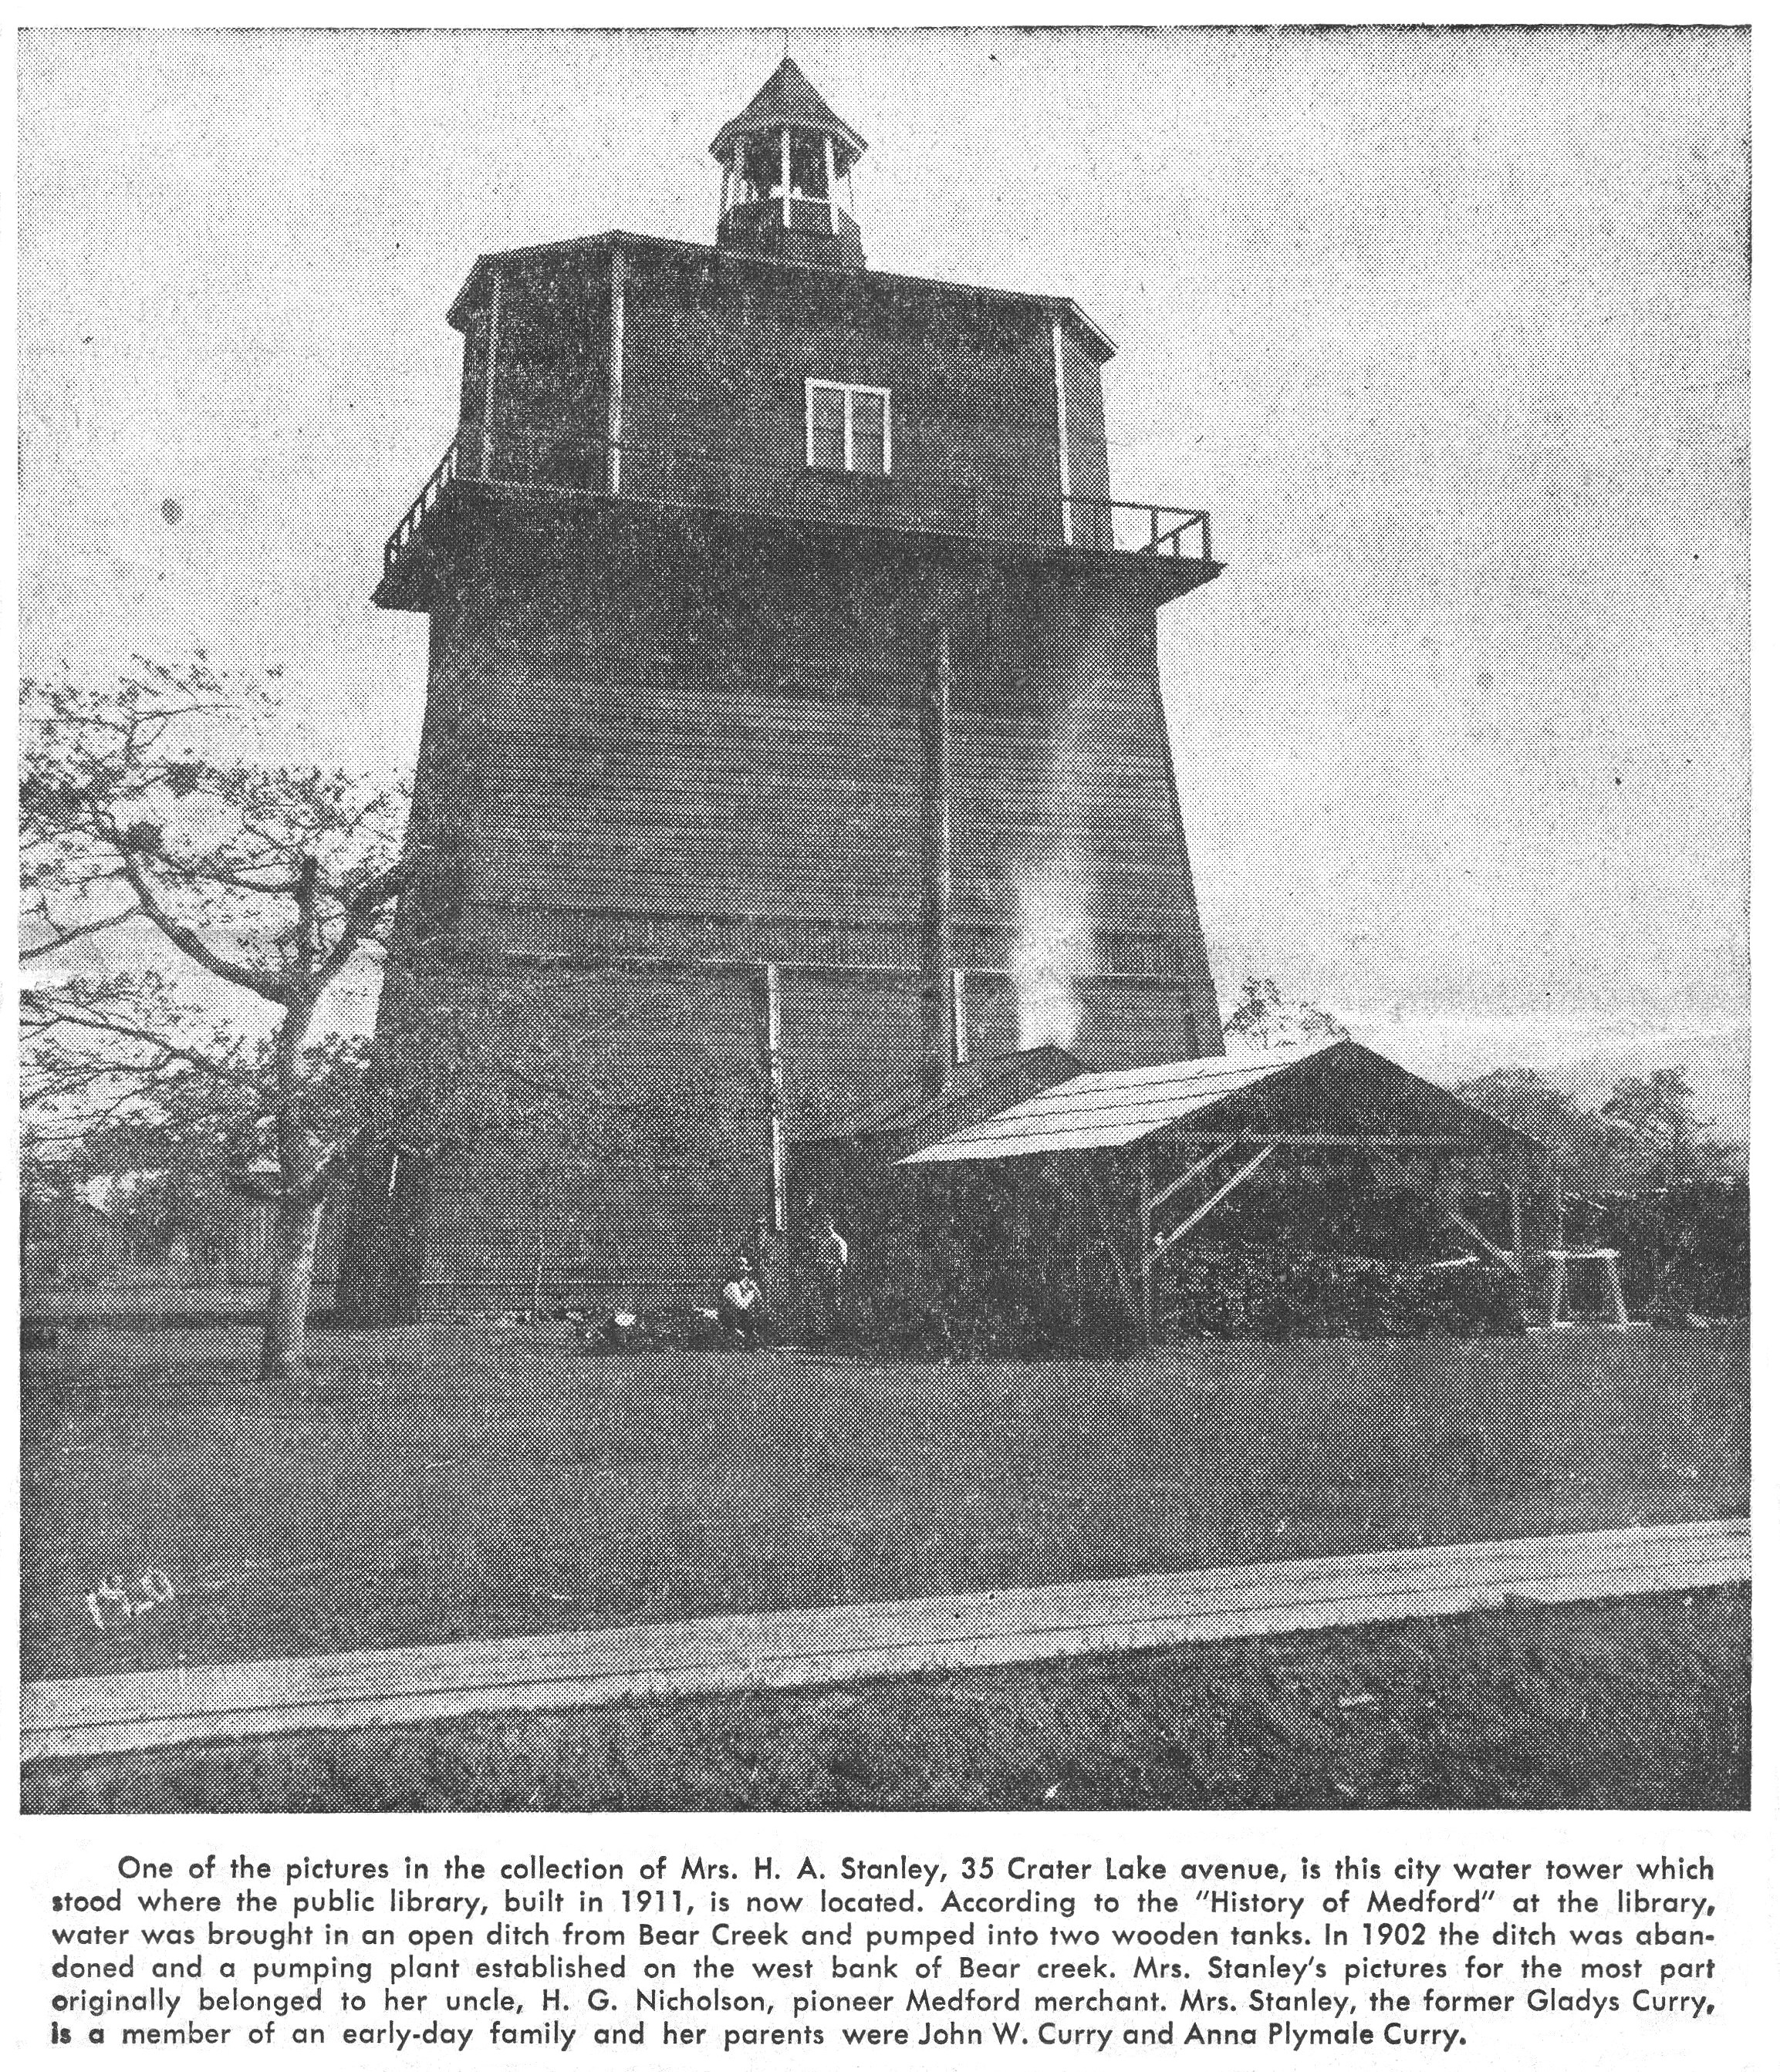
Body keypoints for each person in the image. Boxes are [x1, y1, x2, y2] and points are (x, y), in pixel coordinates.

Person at [814, 1216, 850, 1338]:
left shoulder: (839, 1241)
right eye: (822, 1223)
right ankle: (822, 1334)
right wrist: (820, 1263)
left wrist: (828, 1264)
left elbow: (842, 1262)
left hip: (835, 1277)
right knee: (822, 1304)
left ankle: (837, 1332)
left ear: (831, 1224)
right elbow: (817, 1259)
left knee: (836, 1303)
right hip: (823, 1277)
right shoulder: (821, 1241)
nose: (824, 1226)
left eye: (826, 1223)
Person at [720, 1256, 768, 1347]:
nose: (741, 1268)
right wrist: (752, 1293)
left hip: (747, 1321)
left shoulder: (749, 1286)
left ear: (748, 1269)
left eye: (744, 1265)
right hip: (733, 1322)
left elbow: (761, 1304)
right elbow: (741, 1307)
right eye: (739, 1265)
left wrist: (756, 1293)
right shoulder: (731, 1286)